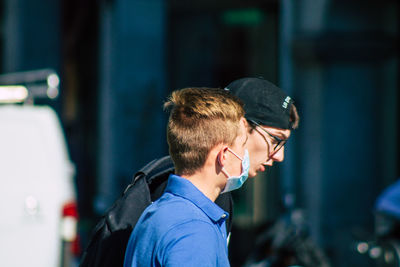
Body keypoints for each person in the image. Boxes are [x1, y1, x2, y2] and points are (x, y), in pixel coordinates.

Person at [79, 77, 300, 267]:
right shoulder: (192, 229)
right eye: (276, 140)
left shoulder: (160, 209)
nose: (279, 156)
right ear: (224, 153)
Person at [124, 87, 248, 266]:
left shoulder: (157, 212)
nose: (245, 155)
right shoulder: (193, 230)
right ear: (225, 155)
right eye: (243, 145)